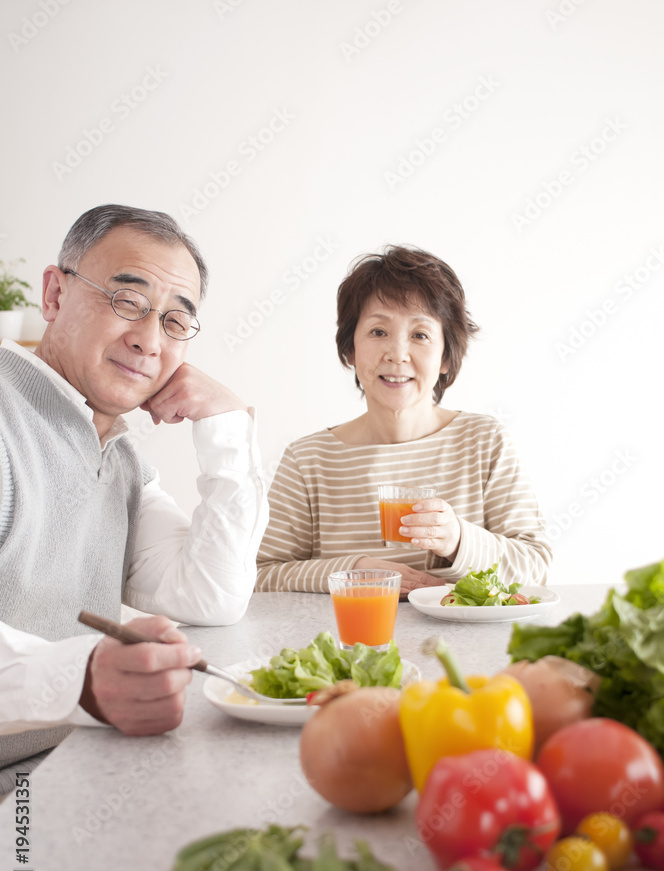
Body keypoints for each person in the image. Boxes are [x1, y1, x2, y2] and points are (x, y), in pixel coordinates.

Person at [0, 204, 268, 793]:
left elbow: (211, 593)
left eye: (175, 321)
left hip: (66, 780)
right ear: (53, 295)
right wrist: (82, 678)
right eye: (127, 300)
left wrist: (226, 424)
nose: (149, 340)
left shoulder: (120, 457)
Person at [256, 245, 551, 594]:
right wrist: (353, 572)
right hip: (349, 647)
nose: (397, 355)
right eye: (378, 332)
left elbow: (535, 568)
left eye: (420, 335)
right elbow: (260, 576)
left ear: (446, 356)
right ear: (350, 349)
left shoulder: (484, 442)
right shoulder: (308, 461)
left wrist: (458, 541)